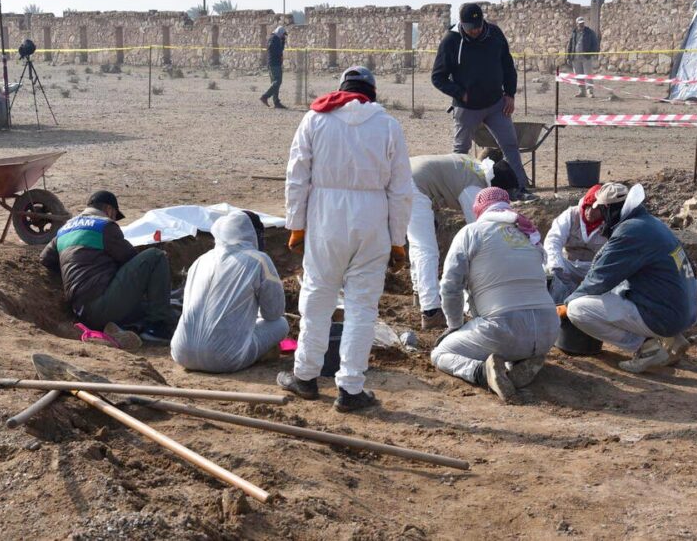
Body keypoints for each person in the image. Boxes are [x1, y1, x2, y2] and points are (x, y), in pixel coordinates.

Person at [279, 65, 413, 412]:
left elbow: (297, 176)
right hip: (372, 222)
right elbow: (401, 190)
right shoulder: (388, 126)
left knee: (317, 300)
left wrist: (296, 225)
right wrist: (397, 239)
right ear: (372, 93)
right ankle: (350, 389)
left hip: (325, 218)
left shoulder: (315, 120)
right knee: (362, 309)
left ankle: (305, 376)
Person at [430, 187, 558, 401]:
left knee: (440, 354)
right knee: (513, 334)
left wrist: (454, 326)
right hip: (549, 330)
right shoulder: (528, 234)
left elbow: (450, 286)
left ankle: (482, 373)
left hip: (503, 328)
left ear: (479, 210)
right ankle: (522, 362)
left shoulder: (471, 233)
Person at [563, 183, 697, 373]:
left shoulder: (630, 232)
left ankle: (646, 348)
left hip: (667, 316)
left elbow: (600, 279)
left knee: (578, 310)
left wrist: (567, 302)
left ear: (608, 209)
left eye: (602, 213)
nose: (601, 220)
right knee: (622, 287)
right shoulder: (650, 223)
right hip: (686, 309)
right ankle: (673, 338)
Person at [40, 190, 177, 346]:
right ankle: (158, 329)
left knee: (145, 306)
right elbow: (131, 259)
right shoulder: (104, 225)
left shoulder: (64, 229)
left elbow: (45, 258)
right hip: (101, 306)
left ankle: (130, 326)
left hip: (81, 312)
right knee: (155, 256)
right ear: (109, 210)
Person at [431, 3, 534, 201]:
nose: (476, 31)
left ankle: (520, 188)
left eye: (478, 26)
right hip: (466, 108)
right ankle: (458, 192)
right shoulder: (451, 41)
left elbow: (507, 65)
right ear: (462, 24)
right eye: (471, 28)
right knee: (461, 151)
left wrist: (510, 94)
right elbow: (438, 77)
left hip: (496, 104)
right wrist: (460, 93)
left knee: (510, 144)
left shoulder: (494, 34)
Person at [407, 154, 520, 329]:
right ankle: (431, 310)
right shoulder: (474, 188)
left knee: (419, 245)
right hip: (412, 184)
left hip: (407, 175)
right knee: (425, 249)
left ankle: (419, 293)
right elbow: (480, 235)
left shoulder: (473, 167)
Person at [170, 211, 290, 373]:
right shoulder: (259, 259)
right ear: (252, 234)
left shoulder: (201, 260)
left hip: (181, 354)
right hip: (225, 359)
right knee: (281, 324)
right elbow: (274, 313)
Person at [544, 184, 609, 303]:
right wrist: (557, 266)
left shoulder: (609, 223)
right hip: (568, 266)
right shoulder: (571, 214)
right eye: (587, 207)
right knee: (544, 266)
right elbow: (553, 240)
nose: (590, 212)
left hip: (594, 269)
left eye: (595, 208)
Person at [566, 17, 600, 98]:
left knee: (588, 74)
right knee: (578, 75)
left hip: (586, 57)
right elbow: (570, 45)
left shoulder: (590, 32)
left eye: (582, 23)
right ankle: (581, 91)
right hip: (575, 58)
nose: (581, 25)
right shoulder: (574, 33)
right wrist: (568, 56)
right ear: (576, 24)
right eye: (580, 23)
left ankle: (589, 91)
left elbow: (595, 44)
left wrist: (591, 53)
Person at [260, 25, 288, 109]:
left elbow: (280, 50)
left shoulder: (277, 39)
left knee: (276, 83)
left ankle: (276, 102)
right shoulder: (273, 39)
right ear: (279, 32)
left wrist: (282, 42)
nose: (283, 36)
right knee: (277, 82)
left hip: (276, 63)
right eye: (283, 34)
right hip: (273, 63)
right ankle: (265, 96)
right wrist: (279, 51)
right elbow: (272, 49)